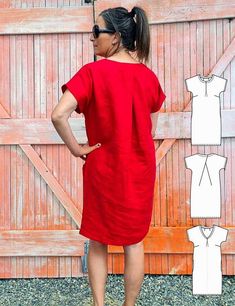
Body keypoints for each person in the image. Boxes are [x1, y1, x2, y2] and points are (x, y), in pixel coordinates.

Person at [51, 6, 166, 306]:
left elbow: (58, 115)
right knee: (134, 242)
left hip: (103, 168)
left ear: (114, 37)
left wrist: (77, 149)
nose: (92, 38)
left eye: (96, 32)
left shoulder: (91, 73)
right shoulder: (148, 77)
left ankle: (99, 304)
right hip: (139, 170)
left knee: (98, 240)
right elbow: (150, 127)